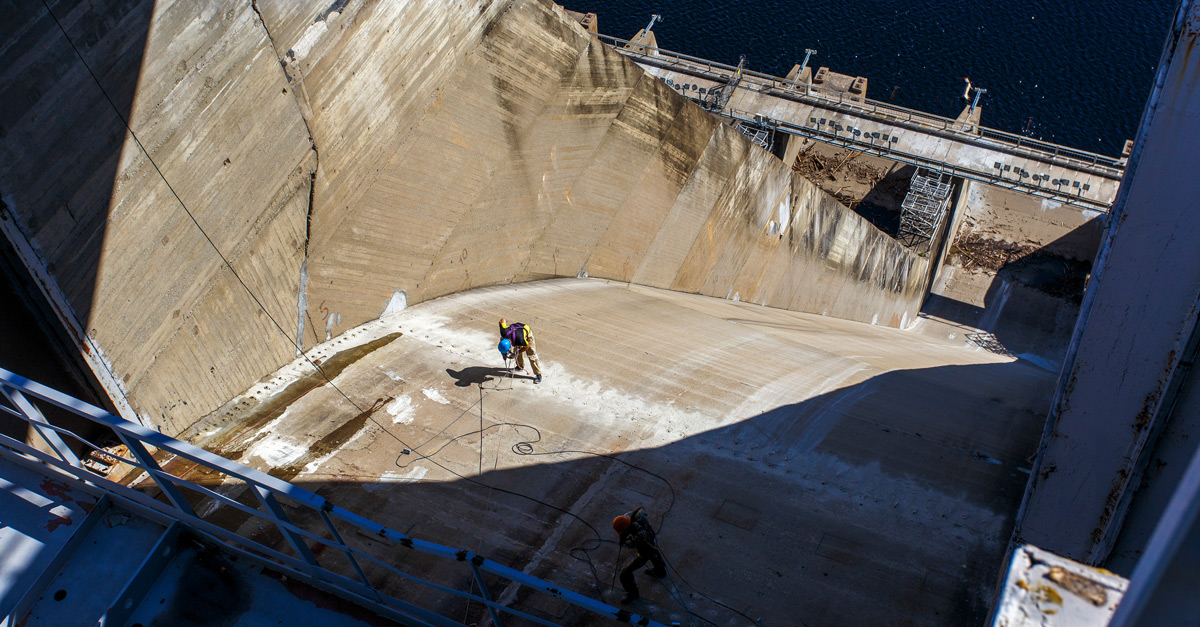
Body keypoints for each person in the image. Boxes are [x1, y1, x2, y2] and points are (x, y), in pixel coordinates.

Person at [612, 505, 666, 603]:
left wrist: (624, 541)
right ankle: (660, 570)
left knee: (625, 573)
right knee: (654, 554)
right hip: (650, 537)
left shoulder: (639, 537)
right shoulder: (638, 516)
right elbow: (640, 507)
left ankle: (633, 593)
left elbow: (631, 545)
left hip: (646, 547)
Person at [497, 318, 542, 383]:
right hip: (516, 333)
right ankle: (520, 366)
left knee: (531, 354)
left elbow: (527, 346)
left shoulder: (520, 340)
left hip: (527, 333)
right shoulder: (503, 331)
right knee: (516, 348)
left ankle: (538, 374)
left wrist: (516, 353)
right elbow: (502, 320)